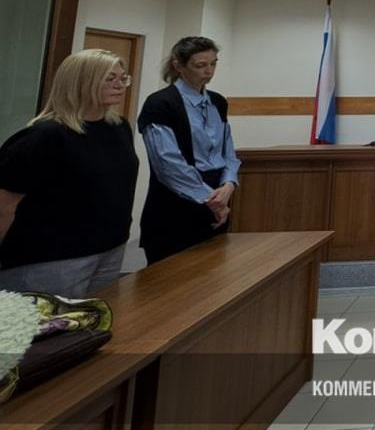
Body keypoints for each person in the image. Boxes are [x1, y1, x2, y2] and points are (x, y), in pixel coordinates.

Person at [0, 49, 139, 296]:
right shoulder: (46, 135)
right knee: (52, 321)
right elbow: (5, 204)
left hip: (110, 249)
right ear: (81, 83)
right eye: (110, 78)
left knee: (98, 318)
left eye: (123, 78)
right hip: (53, 258)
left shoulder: (119, 127)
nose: (120, 85)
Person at [137, 37, 240, 264]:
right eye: (200, 65)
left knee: (214, 273)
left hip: (218, 197)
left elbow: (228, 152)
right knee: (172, 277)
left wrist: (229, 184)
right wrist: (211, 200)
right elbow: (168, 164)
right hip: (177, 204)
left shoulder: (217, 102)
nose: (209, 71)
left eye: (213, 63)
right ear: (178, 65)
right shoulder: (160, 103)